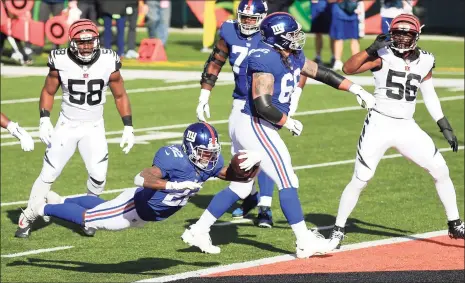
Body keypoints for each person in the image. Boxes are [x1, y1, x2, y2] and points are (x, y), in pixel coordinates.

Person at [183, 12, 376, 258]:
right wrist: (288, 122)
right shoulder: (264, 58)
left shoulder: (290, 55)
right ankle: (304, 240)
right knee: (287, 180)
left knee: (242, 187)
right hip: (255, 123)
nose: (297, 38)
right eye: (291, 34)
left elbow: (321, 72)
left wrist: (355, 89)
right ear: (278, 38)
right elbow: (262, 104)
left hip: (253, 123)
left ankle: (199, 229)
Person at [327, 14, 464, 250]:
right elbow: (348, 68)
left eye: (407, 34)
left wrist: (444, 125)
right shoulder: (382, 55)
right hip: (379, 123)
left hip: (406, 125)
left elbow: (429, 93)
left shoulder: (426, 60)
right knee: (361, 179)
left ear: (416, 36)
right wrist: (370, 49)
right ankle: (338, 229)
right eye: (397, 33)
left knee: (440, 169)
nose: (401, 39)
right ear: (390, 34)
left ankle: (455, 224)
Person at [23, 123, 261, 253]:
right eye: (204, 153)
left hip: (146, 213)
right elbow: (141, 177)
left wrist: (253, 163)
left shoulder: (210, 162)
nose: (209, 159)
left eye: (212, 153)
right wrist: (173, 185)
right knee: (90, 219)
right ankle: (41, 208)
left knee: (101, 206)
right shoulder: (173, 158)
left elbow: (230, 175)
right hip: (134, 208)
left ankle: (60, 200)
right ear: (189, 148)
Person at [15, 19, 135, 239]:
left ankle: (88, 215)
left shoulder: (109, 60)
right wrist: (44, 119)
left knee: (98, 176)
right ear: (72, 42)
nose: (87, 47)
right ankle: (28, 215)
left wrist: (128, 126)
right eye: (82, 42)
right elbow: (48, 91)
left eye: (90, 42)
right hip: (66, 125)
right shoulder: (60, 60)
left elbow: (120, 94)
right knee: (49, 173)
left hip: (94, 126)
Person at [196, 0, 280, 228]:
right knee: (241, 156)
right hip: (240, 101)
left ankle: (265, 206)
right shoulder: (230, 30)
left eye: (252, 19)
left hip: (265, 101)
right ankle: (250, 196)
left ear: (262, 18)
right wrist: (204, 94)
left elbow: (293, 63)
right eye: (244, 17)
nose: (247, 22)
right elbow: (215, 61)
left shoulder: (272, 34)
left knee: (262, 153)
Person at [330, 0, 360, 71]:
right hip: (339, 12)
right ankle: (337, 61)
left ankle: (357, 62)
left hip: (354, 12)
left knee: (355, 38)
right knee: (339, 38)